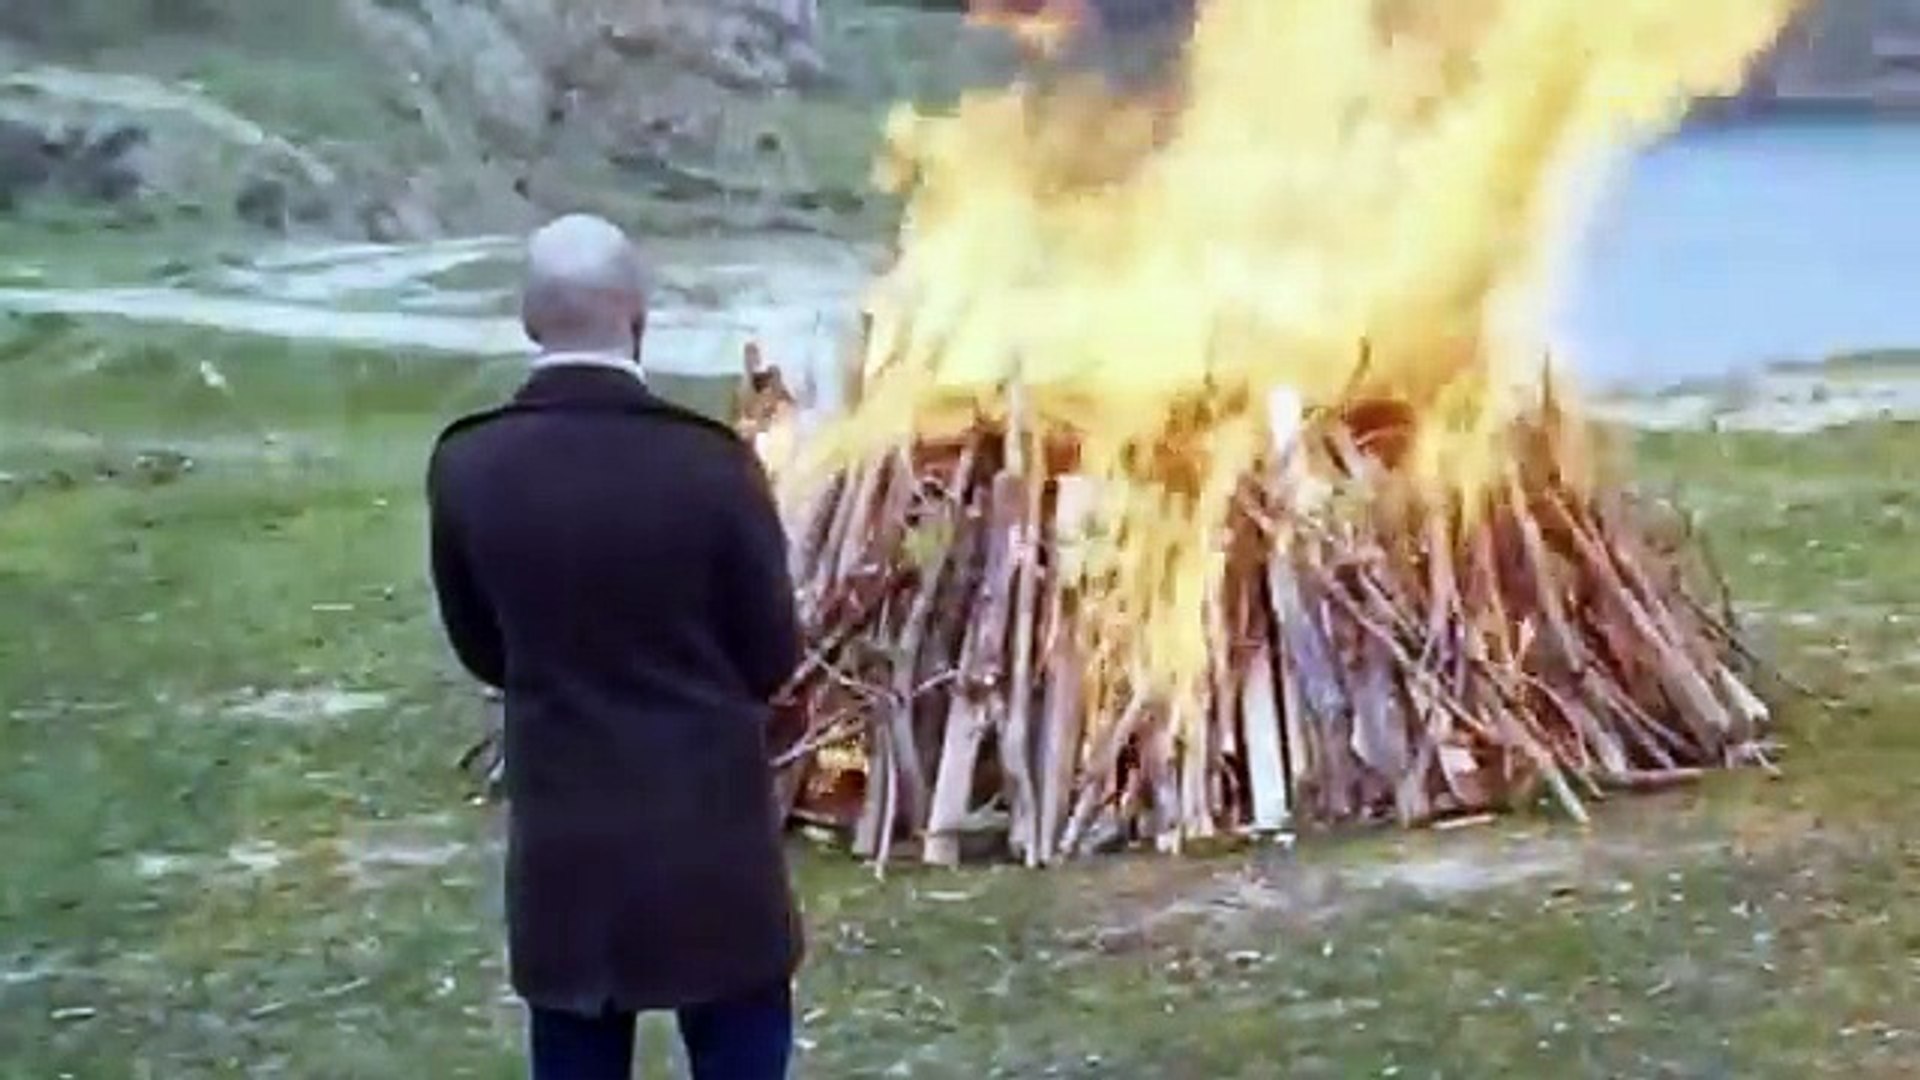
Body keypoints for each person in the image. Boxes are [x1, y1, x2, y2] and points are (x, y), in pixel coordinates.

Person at [425, 214, 804, 1079]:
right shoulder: (712, 465)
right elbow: (771, 654)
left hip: (567, 841)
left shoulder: (470, 466)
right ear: (640, 314)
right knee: (740, 1043)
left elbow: (482, 647)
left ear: (529, 318)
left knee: (575, 1047)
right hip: (711, 838)